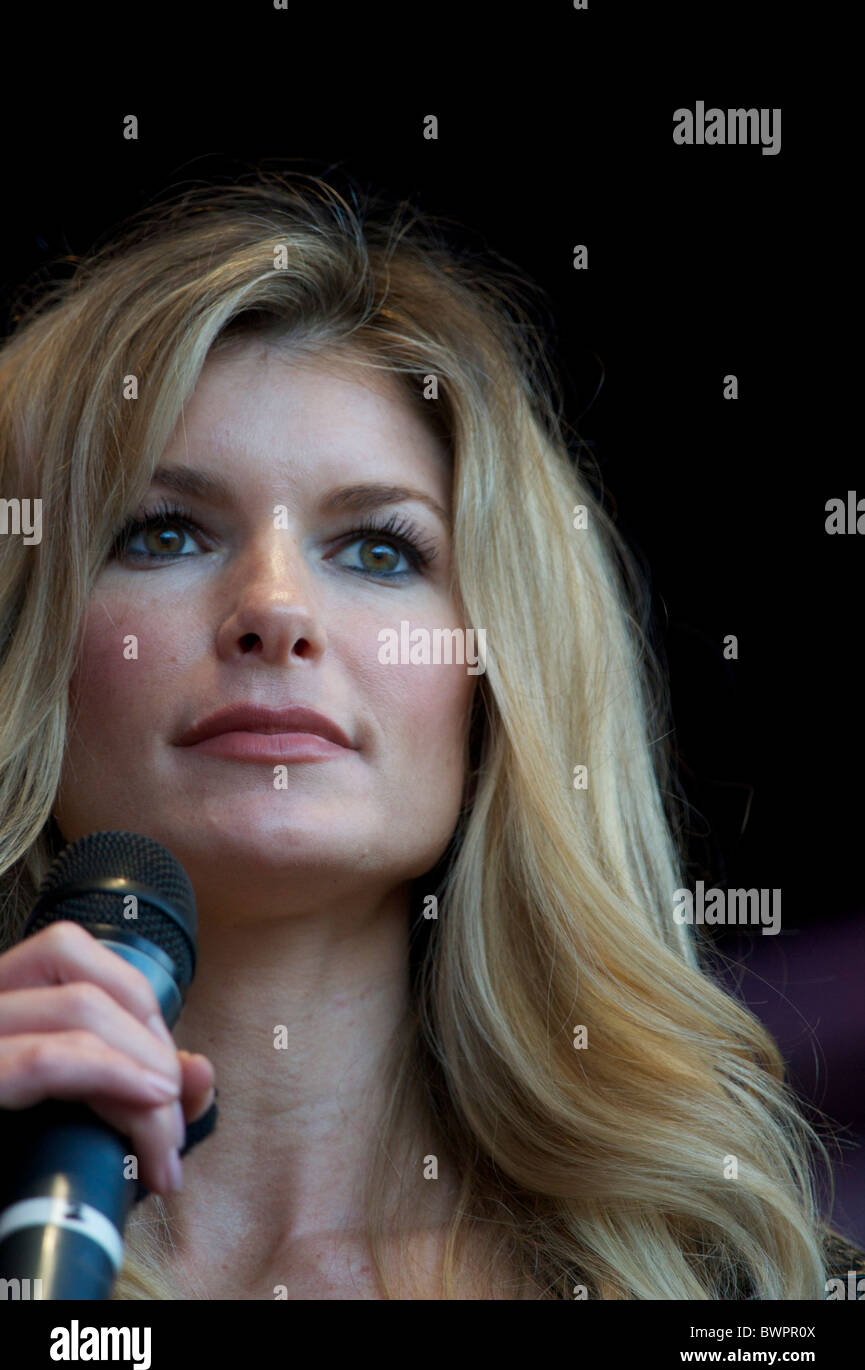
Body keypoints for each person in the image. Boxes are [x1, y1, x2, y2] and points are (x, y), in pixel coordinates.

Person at [0, 173, 861, 1300]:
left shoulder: (733, 1286)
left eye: (377, 550)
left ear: (490, 684)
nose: (276, 609)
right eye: (162, 531)